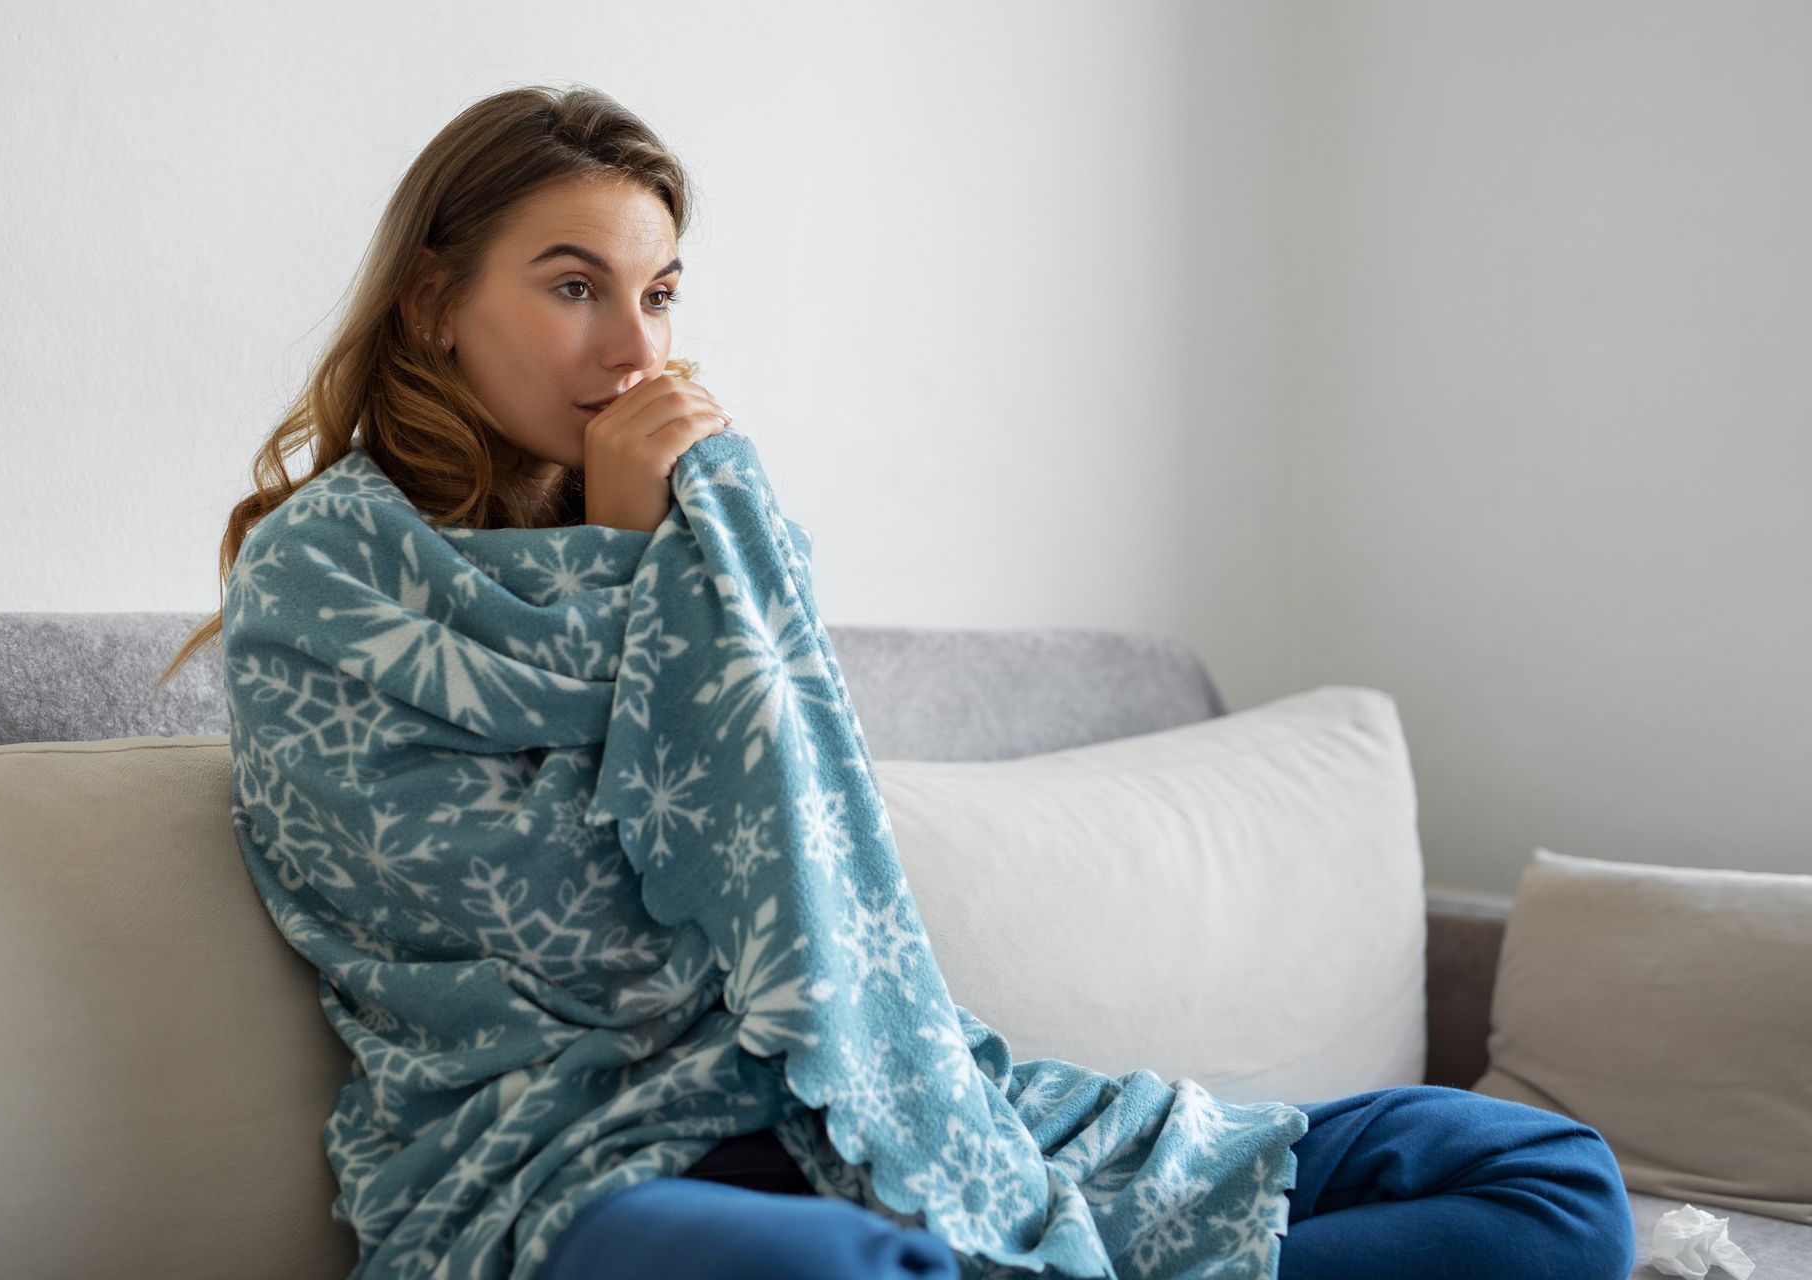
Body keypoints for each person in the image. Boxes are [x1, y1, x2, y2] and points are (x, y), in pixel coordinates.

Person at [159, 84, 1637, 1280]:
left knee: (1548, 1181)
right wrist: (626, 557)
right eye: (573, 287)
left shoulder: (708, 543)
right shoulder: (324, 583)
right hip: (567, 1157)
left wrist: (667, 554)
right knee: (858, 1277)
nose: (635, 348)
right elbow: (585, 949)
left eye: (661, 293)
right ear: (432, 304)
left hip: (867, 1101)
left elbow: (819, 897)